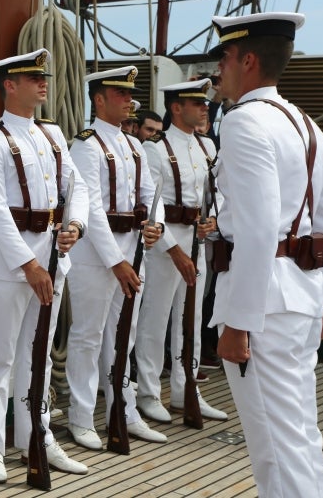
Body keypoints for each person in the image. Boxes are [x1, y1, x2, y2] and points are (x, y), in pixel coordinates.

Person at [207, 12, 323, 497]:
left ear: (249, 60)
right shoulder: (305, 125)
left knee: (275, 449)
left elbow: (259, 230)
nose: (219, 67)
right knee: (300, 436)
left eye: (224, 56)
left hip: (262, 307)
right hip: (300, 296)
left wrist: (238, 323)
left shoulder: (243, 123)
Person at [0, 50, 89, 482]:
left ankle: (35, 437)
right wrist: (28, 264)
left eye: (44, 76)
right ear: (9, 84)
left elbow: (78, 187)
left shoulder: (54, 134)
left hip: (54, 258)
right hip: (9, 263)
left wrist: (76, 224)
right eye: (32, 77)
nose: (43, 83)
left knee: (36, 358)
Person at [65, 65, 166, 451]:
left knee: (123, 338)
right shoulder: (86, 145)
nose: (129, 101)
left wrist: (153, 225)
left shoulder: (134, 145)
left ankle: (122, 412)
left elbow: (148, 194)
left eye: (129, 94)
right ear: (99, 99)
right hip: (96, 254)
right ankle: (81, 416)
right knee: (88, 337)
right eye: (121, 94)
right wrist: (115, 261)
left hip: (132, 249)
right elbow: (89, 206)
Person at [134, 78, 227, 425]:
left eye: (203, 102)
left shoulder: (207, 147)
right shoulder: (155, 149)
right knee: (155, 320)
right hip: (165, 246)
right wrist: (175, 251)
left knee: (191, 320)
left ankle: (186, 387)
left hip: (198, 243)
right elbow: (149, 205)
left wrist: (213, 221)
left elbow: (219, 194)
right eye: (196, 102)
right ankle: (147, 392)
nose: (204, 107)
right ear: (176, 108)